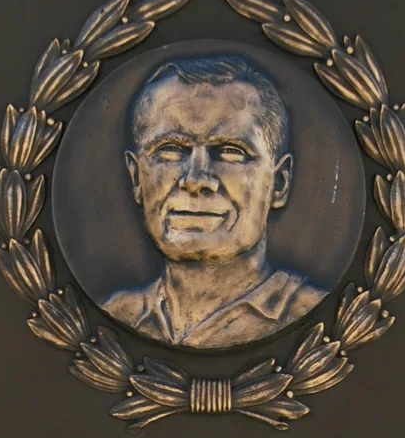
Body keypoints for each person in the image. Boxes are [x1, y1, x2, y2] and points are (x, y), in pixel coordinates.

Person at [103, 55, 328, 348]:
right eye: (170, 150)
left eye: (231, 151)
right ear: (136, 178)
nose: (196, 179)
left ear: (279, 182)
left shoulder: (317, 315)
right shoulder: (115, 315)